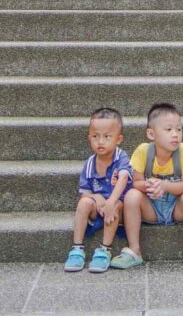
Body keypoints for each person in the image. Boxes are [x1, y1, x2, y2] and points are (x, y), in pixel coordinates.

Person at [110, 102, 183, 271]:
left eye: (179, 129)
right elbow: (136, 182)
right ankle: (134, 250)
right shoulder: (143, 151)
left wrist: (165, 186)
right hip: (151, 209)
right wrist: (151, 185)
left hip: (176, 209)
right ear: (151, 134)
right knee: (132, 195)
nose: (175, 135)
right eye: (168, 130)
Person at [65, 107, 131, 274]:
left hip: (119, 207)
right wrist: (96, 197)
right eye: (95, 137)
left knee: (116, 206)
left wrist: (110, 202)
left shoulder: (121, 157)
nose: (100, 142)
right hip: (98, 207)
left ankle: (104, 250)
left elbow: (123, 178)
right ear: (89, 138)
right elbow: (84, 192)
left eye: (107, 137)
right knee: (84, 202)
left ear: (119, 139)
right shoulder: (90, 163)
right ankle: (77, 248)